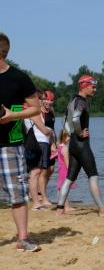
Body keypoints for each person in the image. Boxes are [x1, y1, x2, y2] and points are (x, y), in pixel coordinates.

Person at [0, 32, 42, 252]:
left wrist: (12, 115)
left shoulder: (19, 78)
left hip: (10, 143)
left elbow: (36, 108)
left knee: (17, 193)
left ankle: (23, 239)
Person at [55, 75, 104, 217]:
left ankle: (59, 210)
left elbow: (64, 121)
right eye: (93, 87)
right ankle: (102, 210)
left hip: (72, 144)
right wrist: (79, 132)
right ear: (84, 86)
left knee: (70, 178)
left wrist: (70, 134)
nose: (95, 90)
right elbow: (75, 119)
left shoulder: (72, 101)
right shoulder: (82, 102)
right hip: (81, 145)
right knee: (93, 176)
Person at [24, 90, 55, 209]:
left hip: (43, 143)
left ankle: (40, 199)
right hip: (36, 143)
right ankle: (36, 202)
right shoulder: (34, 111)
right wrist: (50, 132)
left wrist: (52, 141)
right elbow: (44, 130)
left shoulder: (44, 112)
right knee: (36, 172)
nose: (42, 101)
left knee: (41, 172)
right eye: (42, 99)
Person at [55, 129, 76, 212]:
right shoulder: (65, 148)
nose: (69, 138)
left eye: (70, 136)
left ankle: (65, 205)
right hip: (65, 170)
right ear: (63, 137)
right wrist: (72, 171)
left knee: (63, 187)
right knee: (65, 188)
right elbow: (67, 163)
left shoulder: (59, 146)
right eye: (67, 136)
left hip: (61, 170)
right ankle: (66, 206)